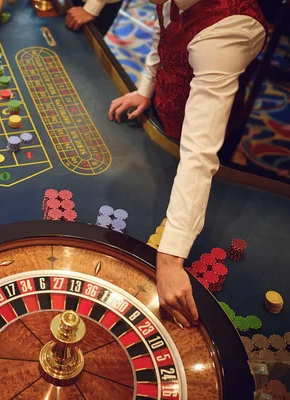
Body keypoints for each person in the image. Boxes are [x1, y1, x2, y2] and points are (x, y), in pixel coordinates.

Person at [108, 0, 267, 327]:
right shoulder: (168, 1)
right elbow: (162, 34)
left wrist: (169, 259)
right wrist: (145, 88)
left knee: (215, 161)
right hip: (166, 122)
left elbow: (200, 152)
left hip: (208, 134)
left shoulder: (227, 30)